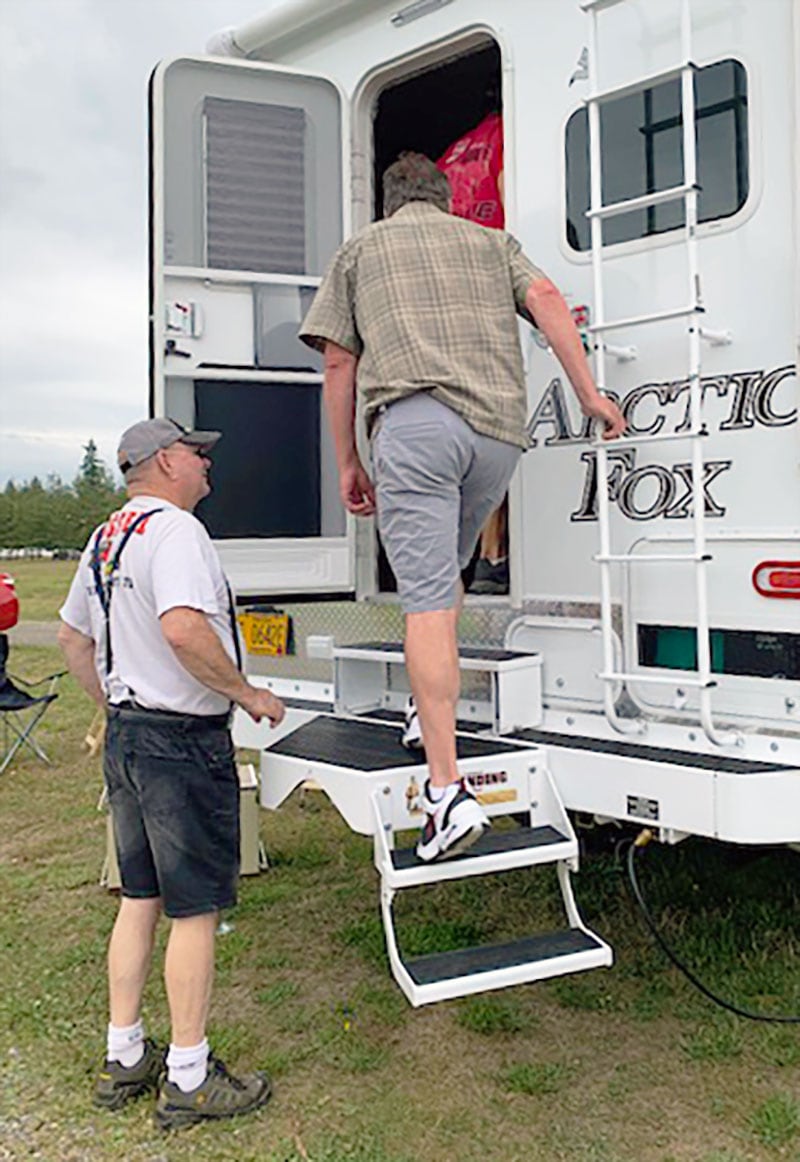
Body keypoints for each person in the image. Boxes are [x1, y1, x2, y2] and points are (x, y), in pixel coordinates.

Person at [299, 152, 626, 863]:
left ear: (389, 202)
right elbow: (545, 301)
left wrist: (349, 460)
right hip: (496, 434)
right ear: (446, 198)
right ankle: (429, 707)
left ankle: (446, 793)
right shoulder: (491, 242)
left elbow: (338, 363)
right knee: (446, 570)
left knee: (422, 599)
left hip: (416, 426)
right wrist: (589, 394)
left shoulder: (359, 252)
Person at [57, 417, 285, 1130]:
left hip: (130, 737)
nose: (206, 464)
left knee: (140, 895)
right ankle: (187, 1074)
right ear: (164, 462)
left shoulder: (105, 536)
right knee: (193, 909)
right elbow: (184, 628)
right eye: (196, 452)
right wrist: (247, 694)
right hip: (181, 744)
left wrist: (118, 706)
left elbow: (72, 638)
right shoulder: (178, 533)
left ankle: (124, 1055)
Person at [437, 103, 508, 594]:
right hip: (487, 288)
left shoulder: (450, 154)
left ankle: (464, 559)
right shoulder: (509, 137)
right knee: (494, 424)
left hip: (446, 293)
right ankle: (493, 555)